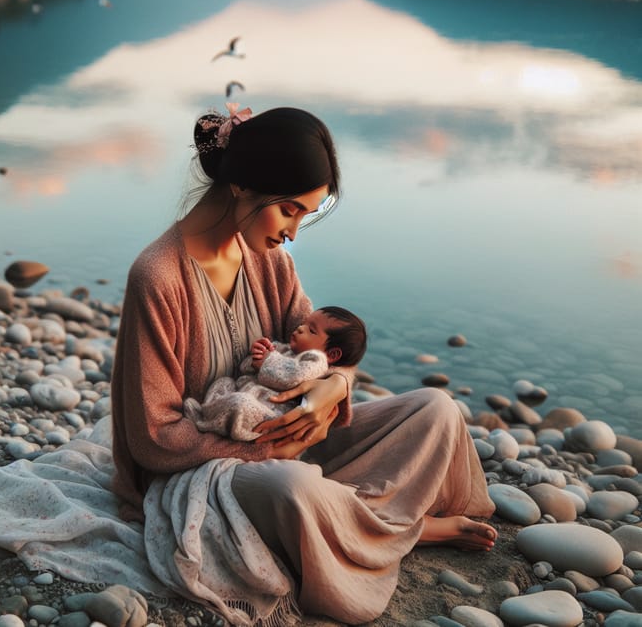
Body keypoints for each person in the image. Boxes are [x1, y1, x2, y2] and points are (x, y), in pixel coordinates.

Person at [110, 104, 497, 626]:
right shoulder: (157, 277)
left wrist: (332, 390)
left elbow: (329, 354)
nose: (293, 232)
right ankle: (406, 528)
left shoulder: (271, 260)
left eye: (304, 216)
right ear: (242, 185)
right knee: (291, 489)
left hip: (286, 435)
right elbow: (152, 439)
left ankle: (350, 519)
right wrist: (274, 447)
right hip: (204, 471)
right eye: (290, 210)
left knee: (435, 408)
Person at [184, 306, 368, 441]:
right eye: (304, 323)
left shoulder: (316, 361)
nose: (300, 328)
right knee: (224, 382)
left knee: (240, 403)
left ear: (331, 354)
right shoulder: (286, 349)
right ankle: (207, 412)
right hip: (248, 392)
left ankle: (204, 423)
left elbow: (292, 377)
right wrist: (256, 357)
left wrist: (267, 360)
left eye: (311, 330)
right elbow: (246, 369)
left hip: (270, 410)